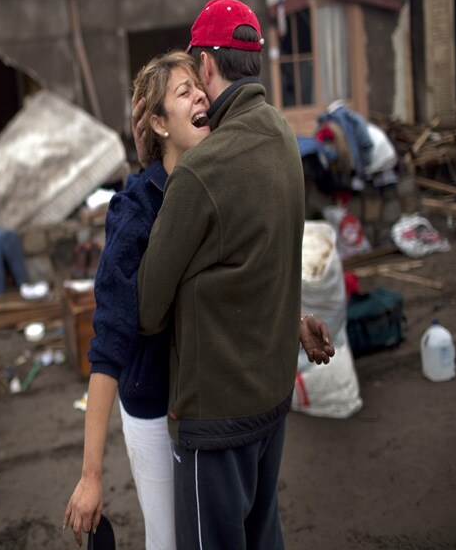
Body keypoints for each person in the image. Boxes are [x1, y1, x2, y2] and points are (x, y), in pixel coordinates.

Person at [63, 47, 333, 548]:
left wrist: (290, 319)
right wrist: (91, 474)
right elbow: (110, 342)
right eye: (183, 92)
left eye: (199, 87)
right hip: (154, 401)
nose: (201, 97)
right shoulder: (136, 211)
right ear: (160, 124)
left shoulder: (219, 179)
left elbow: (226, 286)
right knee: (169, 540)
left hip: (208, 405)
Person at [135, 0, 321, 549]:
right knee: (262, 537)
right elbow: (267, 255)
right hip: (271, 398)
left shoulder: (201, 171)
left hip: (216, 417)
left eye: (195, 76)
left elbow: (147, 308)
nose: (195, 90)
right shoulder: (282, 136)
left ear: (209, 66)